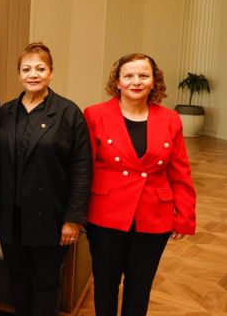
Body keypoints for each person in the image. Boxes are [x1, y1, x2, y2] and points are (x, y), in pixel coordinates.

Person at [83, 53, 196, 315]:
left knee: (139, 288)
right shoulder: (95, 114)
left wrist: (185, 216)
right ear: (117, 81)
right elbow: (84, 168)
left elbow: (180, 171)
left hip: (153, 215)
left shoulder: (170, 119)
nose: (136, 81)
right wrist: (76, 213)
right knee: (105, 285)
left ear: (154, 81)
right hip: (106, 215)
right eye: (129, 76)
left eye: (144, 75)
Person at [0, 42, 92, 316]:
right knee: (17, 279)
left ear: (51, 72)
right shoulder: (5, 112)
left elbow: (82, 169)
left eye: (40, 68)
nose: (33, 74)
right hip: (10, 218)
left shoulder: (69, 113)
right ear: (19, 75)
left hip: (51, 218)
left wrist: (73, 218)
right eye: (26, 69)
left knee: (45, 282)